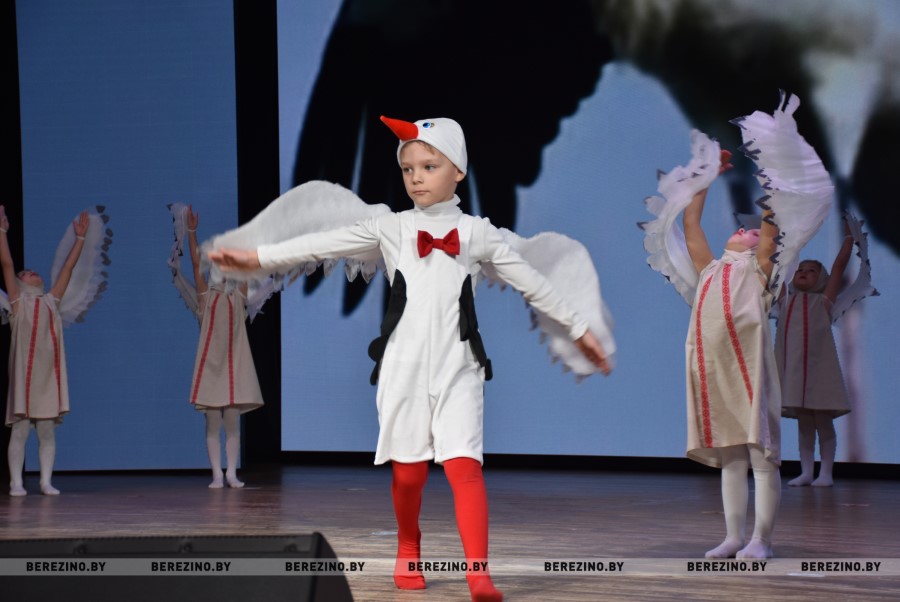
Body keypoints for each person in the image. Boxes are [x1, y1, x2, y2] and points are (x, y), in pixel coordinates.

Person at [209, 115, 613, 602]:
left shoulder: (476, 233)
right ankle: (408, 545)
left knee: (465, 467)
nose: (416, 177)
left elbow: (535, 284)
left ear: (458, 170)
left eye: (429, 166)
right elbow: (317, 243)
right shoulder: (392, 227)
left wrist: (578, 329)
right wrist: (258, 258)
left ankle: (478, 574)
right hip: (403, 369)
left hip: (459, 366)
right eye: (408, 169)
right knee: (409, 474)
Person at [641, 93, 833, 559]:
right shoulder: (709, 269)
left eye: (748, 232)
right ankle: (732, 536)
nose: (743, 231)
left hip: (750, 369)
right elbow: (691, 224)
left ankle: (760, 540)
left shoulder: (760, 270)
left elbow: (770, 228)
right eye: (739, 229)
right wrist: (707, 179)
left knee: (760, 456)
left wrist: (770, 172)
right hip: (714, 370)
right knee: (730, 456)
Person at [1, 206, 107, 496]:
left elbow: (67, 270)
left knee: (47, 431)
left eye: (32, 271)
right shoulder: (17, 304)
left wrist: (80, 239)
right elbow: (7, 263)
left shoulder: (51, 301)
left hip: (48, 377)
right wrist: (1, 232)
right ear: (19, 284)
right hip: (25, 377)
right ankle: (16, 482)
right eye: (26, 273)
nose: (31, 272)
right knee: (21, 430)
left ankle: (46, 481)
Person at [775, 213, 875, 487]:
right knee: (804, 423)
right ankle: (807, 472)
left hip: (819, 372)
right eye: (800, 269)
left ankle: (826, 473)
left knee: (822, 420)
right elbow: (778, 265)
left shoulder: (824, 301)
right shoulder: (785, 301)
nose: (803, 272)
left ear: (821, 280)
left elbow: (840, 265)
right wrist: (781, 236)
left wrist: (848, 237)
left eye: (812, 270)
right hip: (795, 373)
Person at [168, 204, 264, 489]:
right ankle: (216, 474)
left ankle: (231, 473)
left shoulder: (237, 297)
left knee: (232, 421)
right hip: (211, 366)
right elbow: (195, 263)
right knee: (212, 422)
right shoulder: (205, 297)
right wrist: (193, 232)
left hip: (234, 365)